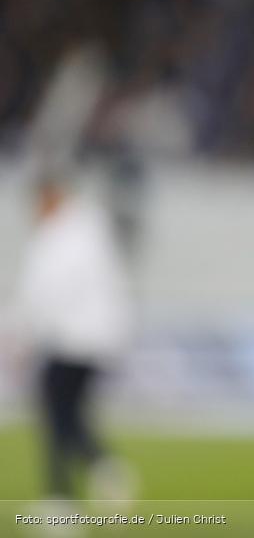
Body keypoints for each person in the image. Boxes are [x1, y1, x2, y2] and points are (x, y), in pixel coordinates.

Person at [9, 175, 135, 503]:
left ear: (51, 197)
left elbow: (45, 292)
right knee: (68, 414)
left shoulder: (59, 237)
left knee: (56, 417)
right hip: (97, 340)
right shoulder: (91, 230)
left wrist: (23, 338)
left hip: (69, 340)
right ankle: (101, 466)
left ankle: (61, 496)